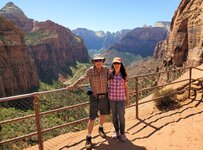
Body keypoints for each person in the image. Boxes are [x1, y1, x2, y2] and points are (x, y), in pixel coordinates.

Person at [66, 54, 110, 149]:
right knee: (92, 117)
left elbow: (112, 77)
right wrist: (73, 86)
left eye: (100, 60)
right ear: (94, 62)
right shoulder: (90, 71)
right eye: (96, 61)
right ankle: (89, 137)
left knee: (103, 114)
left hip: (104, 96)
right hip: (94, 96)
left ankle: (101, 128)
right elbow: (82, 78)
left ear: (103, 61)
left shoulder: (106, 69)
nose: (98, 62)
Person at [108, 57, 129, 142]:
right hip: (112, 99)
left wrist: (127, 99)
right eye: (115, 63)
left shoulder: (124, 75)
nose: (116, 65)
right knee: (114, 117)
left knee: (121, 117)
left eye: (118, 63)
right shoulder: (110, 74)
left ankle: (122, 133)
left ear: (121, 64)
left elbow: (126, 88)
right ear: (113, 64)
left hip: (121, 99)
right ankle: (116, 132)